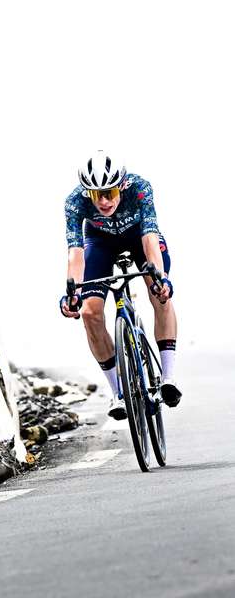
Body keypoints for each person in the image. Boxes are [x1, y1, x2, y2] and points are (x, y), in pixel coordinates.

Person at [59, 151, 181, 420]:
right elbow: (76, 253)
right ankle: (118, 393)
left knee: (159, 292)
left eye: (110, 192)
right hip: (100, 243)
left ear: (122, 185)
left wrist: (161, 278)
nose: (103, 201)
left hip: (138, 237)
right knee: (90, 313)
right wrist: (73, 295)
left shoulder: (139, 188)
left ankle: (168, 378)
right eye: (95, 194)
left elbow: (149, 237)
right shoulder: (74, 202)